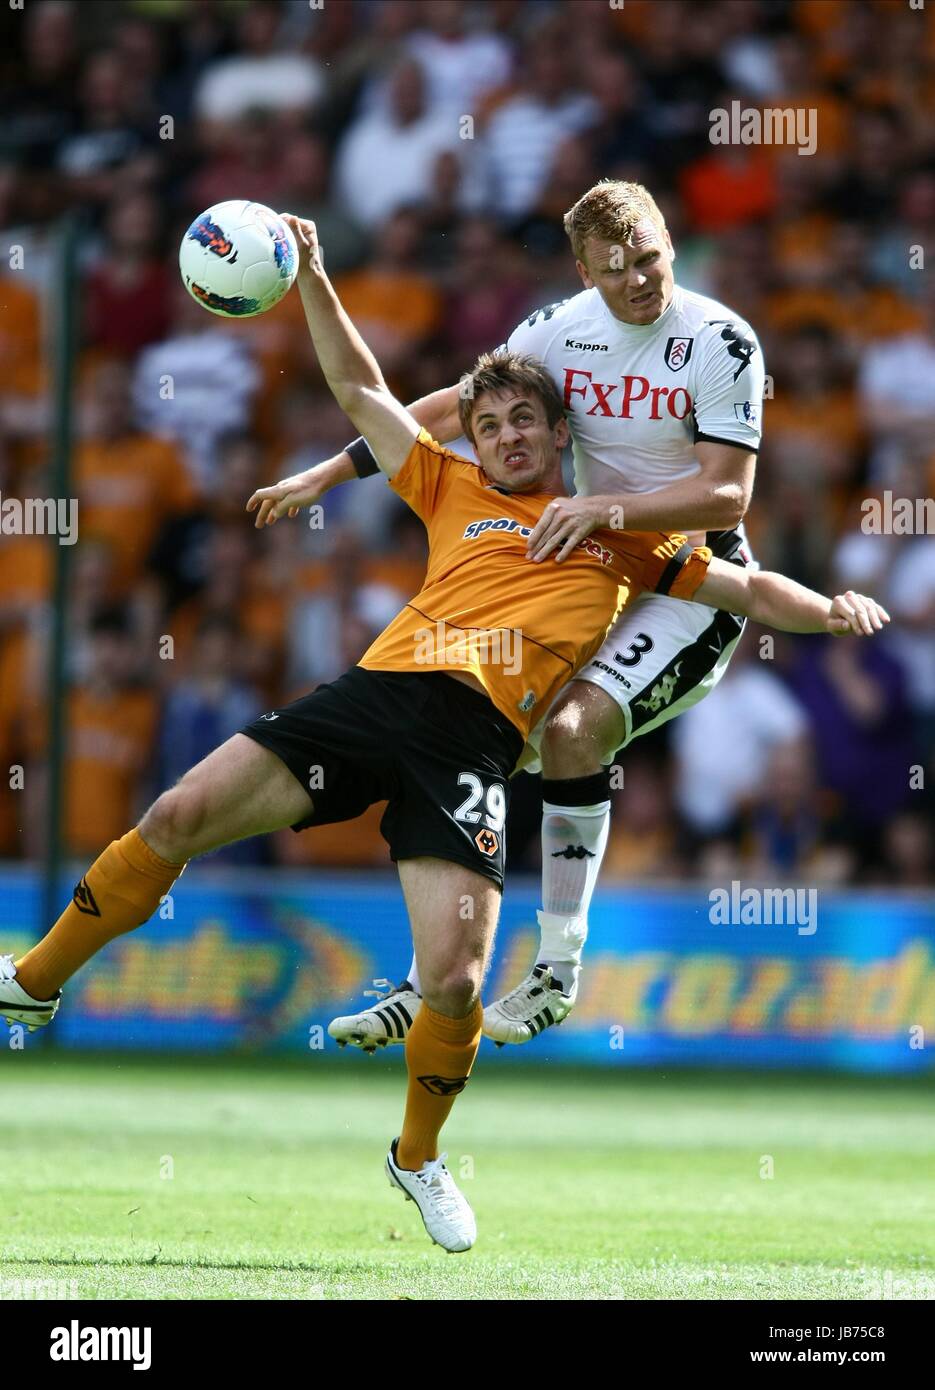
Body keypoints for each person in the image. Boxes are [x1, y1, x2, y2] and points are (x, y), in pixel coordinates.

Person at [0, 216, 887, 1253]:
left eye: (526, 423)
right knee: (179, 811)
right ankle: (31, 985)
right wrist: (318, 279)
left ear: (562, 438)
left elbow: (742, 585)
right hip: (373, 696)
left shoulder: (616, 540)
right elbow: (362, 391)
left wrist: (829, 608)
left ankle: (416, 1156)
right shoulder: (445, 480)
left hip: (467, 747)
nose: (507, 436)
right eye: (492, 423)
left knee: (458, 982)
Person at [250, 179, 768, 1046]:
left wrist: (605, 511)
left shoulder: (720, 339)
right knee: (476, 723)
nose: (640, 280)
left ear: (668, 240)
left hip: (685, 579)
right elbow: (452, 409)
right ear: (583, 273)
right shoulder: (558, 330)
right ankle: (429, 982)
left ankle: (557, 970)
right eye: (617, 269)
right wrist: (327, 473)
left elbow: (725, 493)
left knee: (571, 733)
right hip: (584, 564)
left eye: (649, 258)